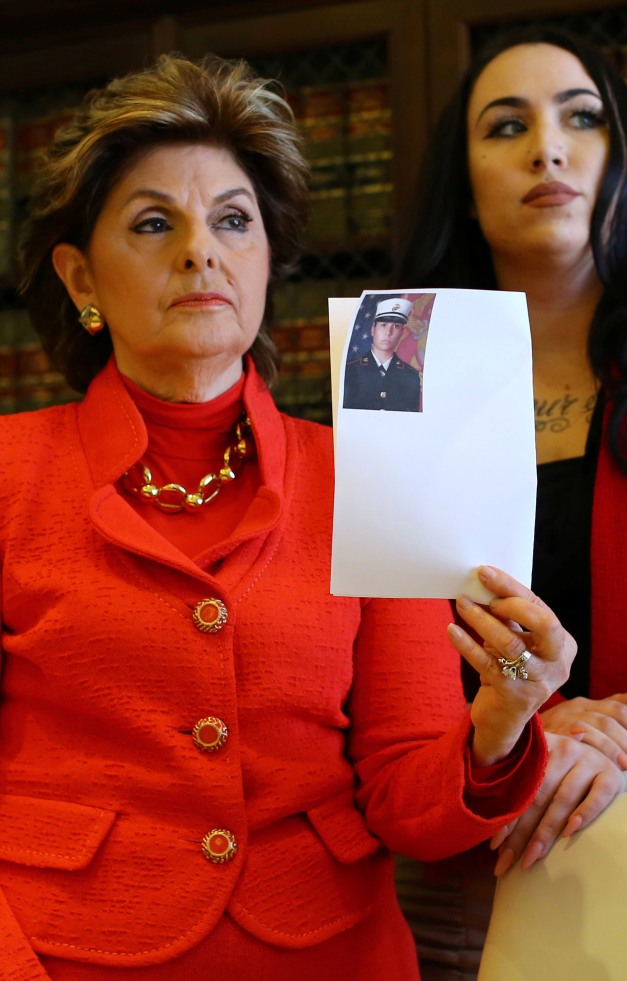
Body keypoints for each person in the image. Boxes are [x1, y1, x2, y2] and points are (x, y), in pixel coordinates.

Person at [2, 53, 575, 979]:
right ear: (80, 280)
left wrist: (502, 719)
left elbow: (407, 801)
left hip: (333, 955)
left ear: (267, 259)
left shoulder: (372, 471)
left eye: (234, 221)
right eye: (156, 222)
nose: (203, 249)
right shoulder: (8, 472)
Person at [395, 24, 627, 978]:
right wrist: (518, 724)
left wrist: (623, 746)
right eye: (505, 126)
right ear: (464, 188)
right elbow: (359, 643)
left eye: (582, 118)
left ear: (625, 162)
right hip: (452, 874)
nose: (547, 148)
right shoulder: (399, 374)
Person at [343, 296, 422, 411]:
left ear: (402, 332)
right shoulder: (350, 371)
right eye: (383, 325)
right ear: (373, 329)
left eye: (396, 326)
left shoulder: (411, 377)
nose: (388, 332)